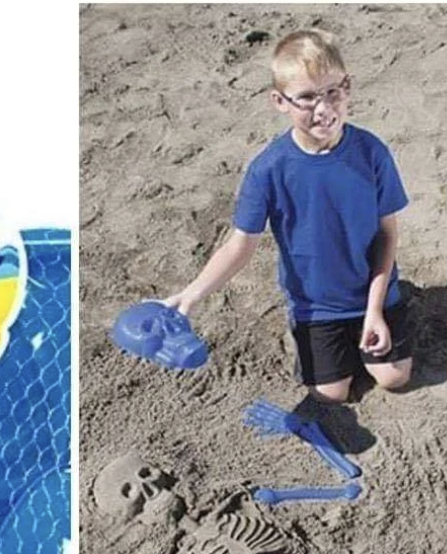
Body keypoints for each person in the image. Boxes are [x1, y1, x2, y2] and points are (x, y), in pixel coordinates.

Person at [164, 30, 412, 403]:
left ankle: (386, 312)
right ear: (280, 101)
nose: (323, 109)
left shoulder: (372, 152)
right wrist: (193, 293)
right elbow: (240, 244)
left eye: (333, 91)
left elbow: (387, 234)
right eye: (307, 98)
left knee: (394, 378)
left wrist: (375, 309)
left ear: (349, 87)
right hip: (317, 306)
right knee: (332, 395)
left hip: (373, 293)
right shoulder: (268, 169)